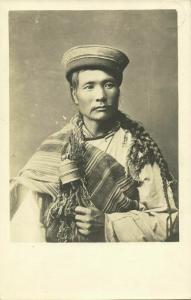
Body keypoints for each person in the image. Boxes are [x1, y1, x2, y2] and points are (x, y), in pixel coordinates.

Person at [10, 45, 178, 242]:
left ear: (118, 91)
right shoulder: (53, 151)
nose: (100, 95)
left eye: (108, 84)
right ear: (74, 94)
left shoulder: (138, 150)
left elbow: (167, 222)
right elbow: (26, 228)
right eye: (89, 86)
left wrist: (108, 225)